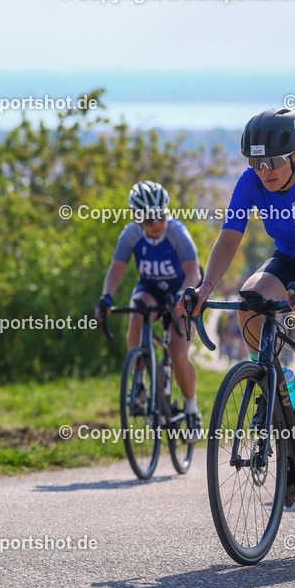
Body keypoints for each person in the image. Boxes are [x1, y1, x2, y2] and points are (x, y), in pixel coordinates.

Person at [182, 108, 295, 528]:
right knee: (250, 302)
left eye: (271, 163)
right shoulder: (251, 183)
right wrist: (206, 288)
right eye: (254, 162)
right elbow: (229, 238)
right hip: (289, 260)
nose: (262, 171)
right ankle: (272, 381)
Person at [96, 181, 203, 435]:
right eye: (147, 219)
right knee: (137, 312)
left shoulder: (177, 232)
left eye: (160, 216)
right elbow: (116, 270)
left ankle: (191, 408)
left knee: (178, 354)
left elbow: (194, 273)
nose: (155, 224)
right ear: (136, 218)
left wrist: (181, 298)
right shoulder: (130, 234)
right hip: (151, 289)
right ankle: (140, 382)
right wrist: (106, 298)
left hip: (182, 290)